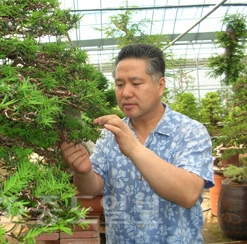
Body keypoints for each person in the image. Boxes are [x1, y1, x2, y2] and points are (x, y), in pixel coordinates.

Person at [60, 44, 214, 244]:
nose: (126, 93)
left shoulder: (190, 131)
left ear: (160, 86)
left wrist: (133, 148)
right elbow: (91, 189)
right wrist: (83, 171)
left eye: (136, 83)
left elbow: (188, 194)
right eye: (120, 84)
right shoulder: (109, 135)